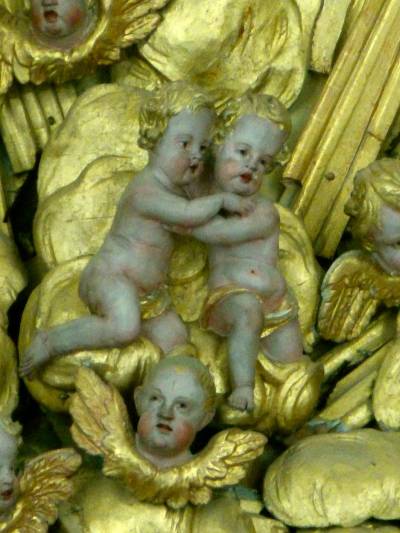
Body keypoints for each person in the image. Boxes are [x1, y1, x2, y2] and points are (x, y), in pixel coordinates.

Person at [20, 81, 252, 378]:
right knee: (124, 326)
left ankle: (163, 393)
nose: (196, 155)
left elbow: (197, 222)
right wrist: (222, 201)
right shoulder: (145, 191)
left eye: (202, 147)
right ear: (155, 139)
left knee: (178, 342)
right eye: (185, 144)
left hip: (150, 296)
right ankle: (52, 341)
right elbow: (189, 215)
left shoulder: (179, 191)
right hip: (110, 279)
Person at [176, 92, 303, 411]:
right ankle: (242, 388)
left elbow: (221, 233)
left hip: (278, 306)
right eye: (243, 151)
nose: (252, 165)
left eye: (263, 162)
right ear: (218, 143)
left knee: (292, 372)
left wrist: (181, 220)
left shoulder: (263, 213)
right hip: (233, 297)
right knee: (247, 314)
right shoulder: (201, 196)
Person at [134, 355, 216, 468]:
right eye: (155, 399)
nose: (165, 414)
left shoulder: (199, 474)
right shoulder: (112, 451)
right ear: (138, 400)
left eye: (182, 406)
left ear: (205, 419)